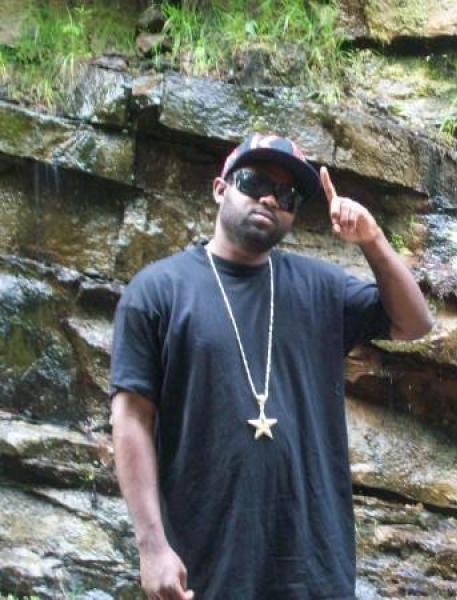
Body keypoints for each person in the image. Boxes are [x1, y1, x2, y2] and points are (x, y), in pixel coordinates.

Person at [110, 134, 433, 599]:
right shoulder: (158, 291)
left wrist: (373, 239)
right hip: (207, 564)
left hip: (313, 568)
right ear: (220, 188)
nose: (268, 199)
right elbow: (131, 420)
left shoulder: (322, 288)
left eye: (286, 195)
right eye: (254, 183)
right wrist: (151, 546)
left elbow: (414, 323)